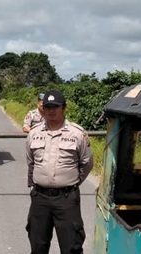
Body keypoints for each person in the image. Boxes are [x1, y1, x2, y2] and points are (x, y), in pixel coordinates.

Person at [25, 89, 93, 254]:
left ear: (64, 108)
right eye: (48, 107)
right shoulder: (34, 134)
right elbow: (31, 162)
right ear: (43, 109)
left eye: (55, 107)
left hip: (66, 199)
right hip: (40, 198)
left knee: (71, 247)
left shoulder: (77, 134)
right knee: (37, 246)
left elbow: (87, 163)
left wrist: (71, 182)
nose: (51, 110)